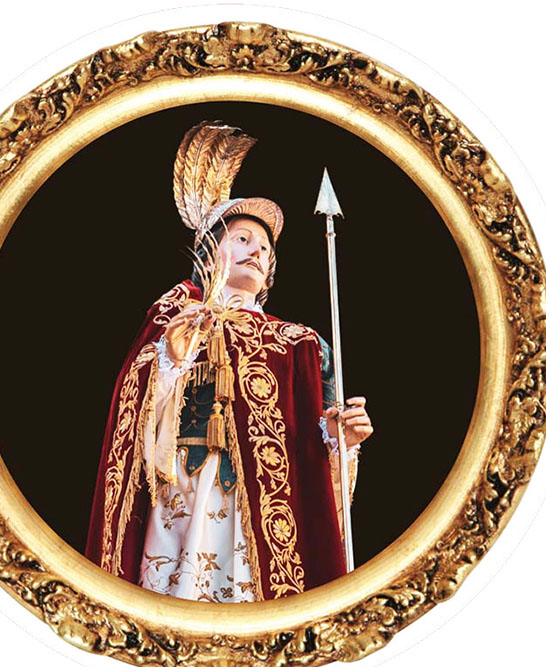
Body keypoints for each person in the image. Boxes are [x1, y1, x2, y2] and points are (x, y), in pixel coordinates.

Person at [85, 122, 373, 602]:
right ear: (209, 252)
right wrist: (171, 361)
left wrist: (339, 442)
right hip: (178, 496)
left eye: (265, 248)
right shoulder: (174, 317)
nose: (257, 250)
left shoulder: (296, 345)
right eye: (242, 238)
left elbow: (312, 474)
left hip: (255, 507)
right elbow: (131, 420)